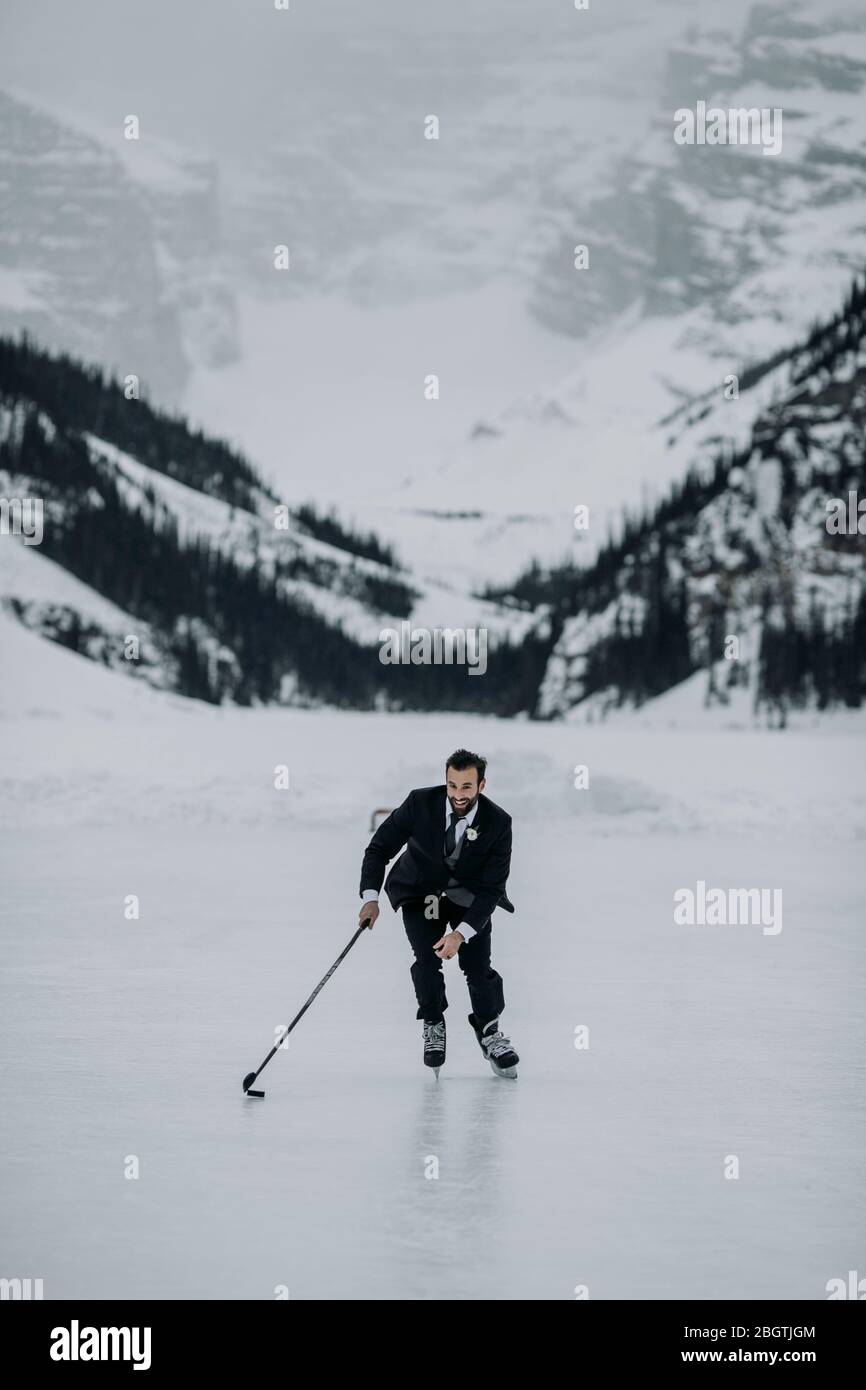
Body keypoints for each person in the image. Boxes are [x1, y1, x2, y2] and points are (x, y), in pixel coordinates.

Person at [358, 748, 519, 1078]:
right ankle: (433, 1023)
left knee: (477, 968)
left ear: (481, 785)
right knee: (427, 959)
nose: (458, 794)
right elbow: (378, 849)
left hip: (468, 898)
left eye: (466, 787)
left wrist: (461, 934)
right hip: (421, 892)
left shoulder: (499, 823)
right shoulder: (419, 803)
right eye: (452, 785)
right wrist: (371, 897)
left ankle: (489, 1031)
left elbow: (491, 889)